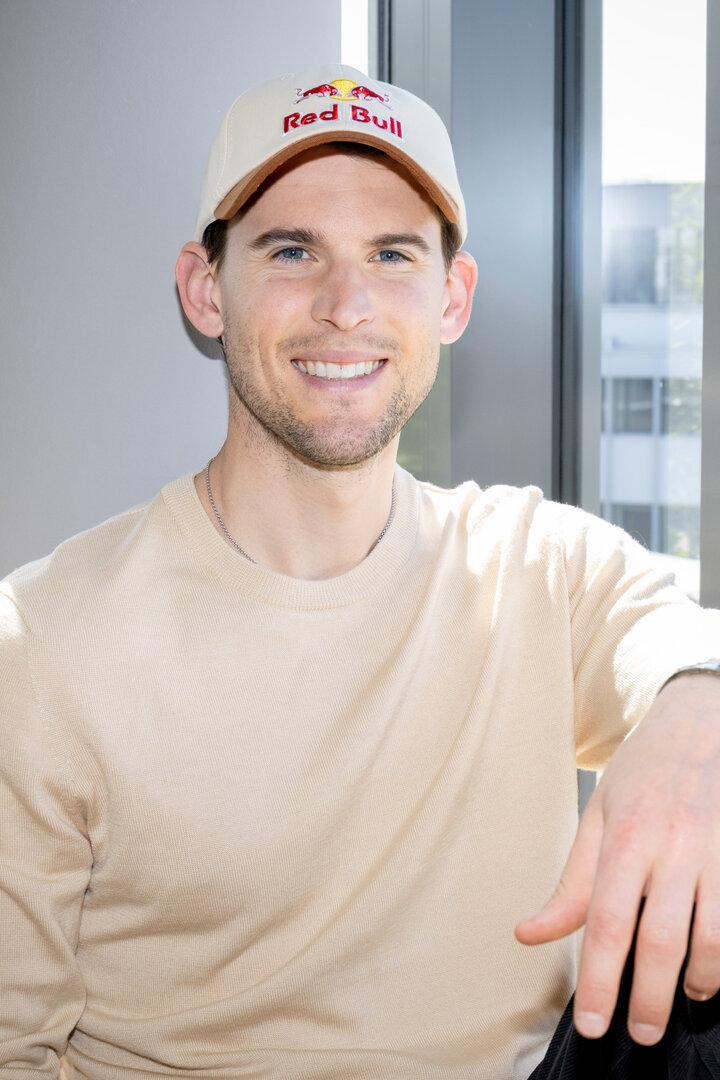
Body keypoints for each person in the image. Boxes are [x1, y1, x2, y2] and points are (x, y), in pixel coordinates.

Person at [1, 63, 720, 1080]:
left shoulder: (534, 564)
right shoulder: (44, 642)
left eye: (392, 255)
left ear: (451, 298)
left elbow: (681, 636)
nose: (346, 305)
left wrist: (700, 718)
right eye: (292, 251)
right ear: (207, 291)